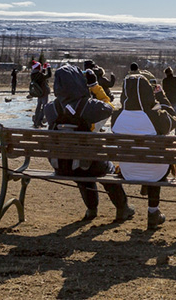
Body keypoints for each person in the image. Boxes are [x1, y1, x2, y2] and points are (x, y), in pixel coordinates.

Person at [43, 65, 133, 223]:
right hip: (85, 164)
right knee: (106, 168)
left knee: (83, 168)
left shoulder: (51, 108)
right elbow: (110, 108)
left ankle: (91, 209)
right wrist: (94, 87)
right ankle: (122, 208)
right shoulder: (88, 106)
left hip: (62, 165)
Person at [111, 74, 176, 229]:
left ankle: (140, 198)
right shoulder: (154, 116)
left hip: (128, 169)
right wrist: (161, 96)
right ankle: (153, 212)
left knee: (149, 159)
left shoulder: (117, 116)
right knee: (155, 162)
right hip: (155, 170)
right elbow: (174, 119)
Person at [161, 67, 176, 135]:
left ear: (166, 73)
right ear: (172, 72)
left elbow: (164, 91)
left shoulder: (165, 81)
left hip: (168, 100)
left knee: (167, 115)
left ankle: (167, 130)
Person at [30, 61, 52, 128]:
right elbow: (49, 75)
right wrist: (48, 68)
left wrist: (44, 69)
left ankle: (37, 121)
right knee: (44, 107)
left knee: (38, 106)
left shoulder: (33, 74)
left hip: (39, 93)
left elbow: (42, 76)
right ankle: (39, 122)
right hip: (44, 92)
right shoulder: (39, 75)